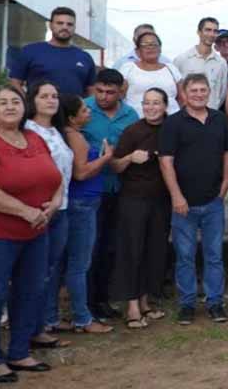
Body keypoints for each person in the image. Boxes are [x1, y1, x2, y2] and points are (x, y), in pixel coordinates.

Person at [0, 85, 62, 382]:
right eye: (3, 102)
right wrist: (24, 211)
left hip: (37, 232)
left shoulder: (34, 138)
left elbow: (56, 176)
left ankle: (19, 352)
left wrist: (53, 204)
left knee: (30, 291)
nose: (11, 106)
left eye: (16, 101)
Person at [159, 74, 228, 324]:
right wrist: (176, 195)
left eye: (203, 90)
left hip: (213, 200)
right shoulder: (173, 123)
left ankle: (215, 303)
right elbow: (166, 162)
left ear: (209, 92)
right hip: (184, 204)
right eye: (194, 90)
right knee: (185, 256)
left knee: (214, 255)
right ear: (184, 92)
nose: (199, 94)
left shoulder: (219, 119)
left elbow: (227, 153)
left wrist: (224, 185)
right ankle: (187, 305)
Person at [107, 88, 171, 328]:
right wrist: (130, 158)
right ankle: (132, 306)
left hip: (161, 200)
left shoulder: (171, 128)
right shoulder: (133, 131)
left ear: (165, 105)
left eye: (156, 103)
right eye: (147, 103)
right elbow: (114, 165)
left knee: (154, 250)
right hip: (134, 199)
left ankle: (145, 302)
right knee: (132, 250)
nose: (151, 107)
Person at [82, 69, 138, 322]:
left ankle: (102, 299)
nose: (104, 97)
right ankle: (85, 302)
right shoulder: (83, 110)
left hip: (120, 189)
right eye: (100, 91)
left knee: (109, 247)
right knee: (88, 248)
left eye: (110, 92)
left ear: (121, 91)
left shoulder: (130, 115)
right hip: (88, 190)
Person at [23, 82, 74, 347]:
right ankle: (30, 328)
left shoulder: (57, 131)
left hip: (61, 208)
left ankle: (42, 324)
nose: (51, 100)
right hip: (38, 211)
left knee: (48, 270)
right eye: (44, 96)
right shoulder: (27, 131)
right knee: (34, 272)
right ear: (33, 100)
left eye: (55, 96)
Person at [60, 93, 116, 333]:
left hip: (82, 203)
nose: (89, 112)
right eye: (84, 110)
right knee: (79, 264)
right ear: (72, 118)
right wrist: (106, 158)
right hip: (83, 203)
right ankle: (82, 317)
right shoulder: (77, 139)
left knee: (70, 262)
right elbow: (81, 173)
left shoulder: (71, 135)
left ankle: (54, 316)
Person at [9, 6, 96, 96]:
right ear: (50, 25)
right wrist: (27, 104)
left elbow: (92, 91)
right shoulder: (30, 51)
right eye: (60, 23)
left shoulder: (85, 57)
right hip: (38, 110)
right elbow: (14, 83)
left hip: (74, 110)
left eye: (69, 24)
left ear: (74, 27)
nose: (65, 27)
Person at [120, 30, 183, 116]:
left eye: (154, 44)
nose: (150, 47)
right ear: (137, 51)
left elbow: (182, 98)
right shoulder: (128, 68)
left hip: (170, 122)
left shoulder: (171, 68)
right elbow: (118, 97)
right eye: (145, 45)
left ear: (160, 49)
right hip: (137, 122)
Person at [173, 17, 228, 110]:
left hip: (211, 117)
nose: (211, 34)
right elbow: (175, 90)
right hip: (187, 116)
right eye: (208, 30)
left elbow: (222, 94)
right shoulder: (182, 59)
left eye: (215, 31)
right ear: (199, 32)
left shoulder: (221, 63)